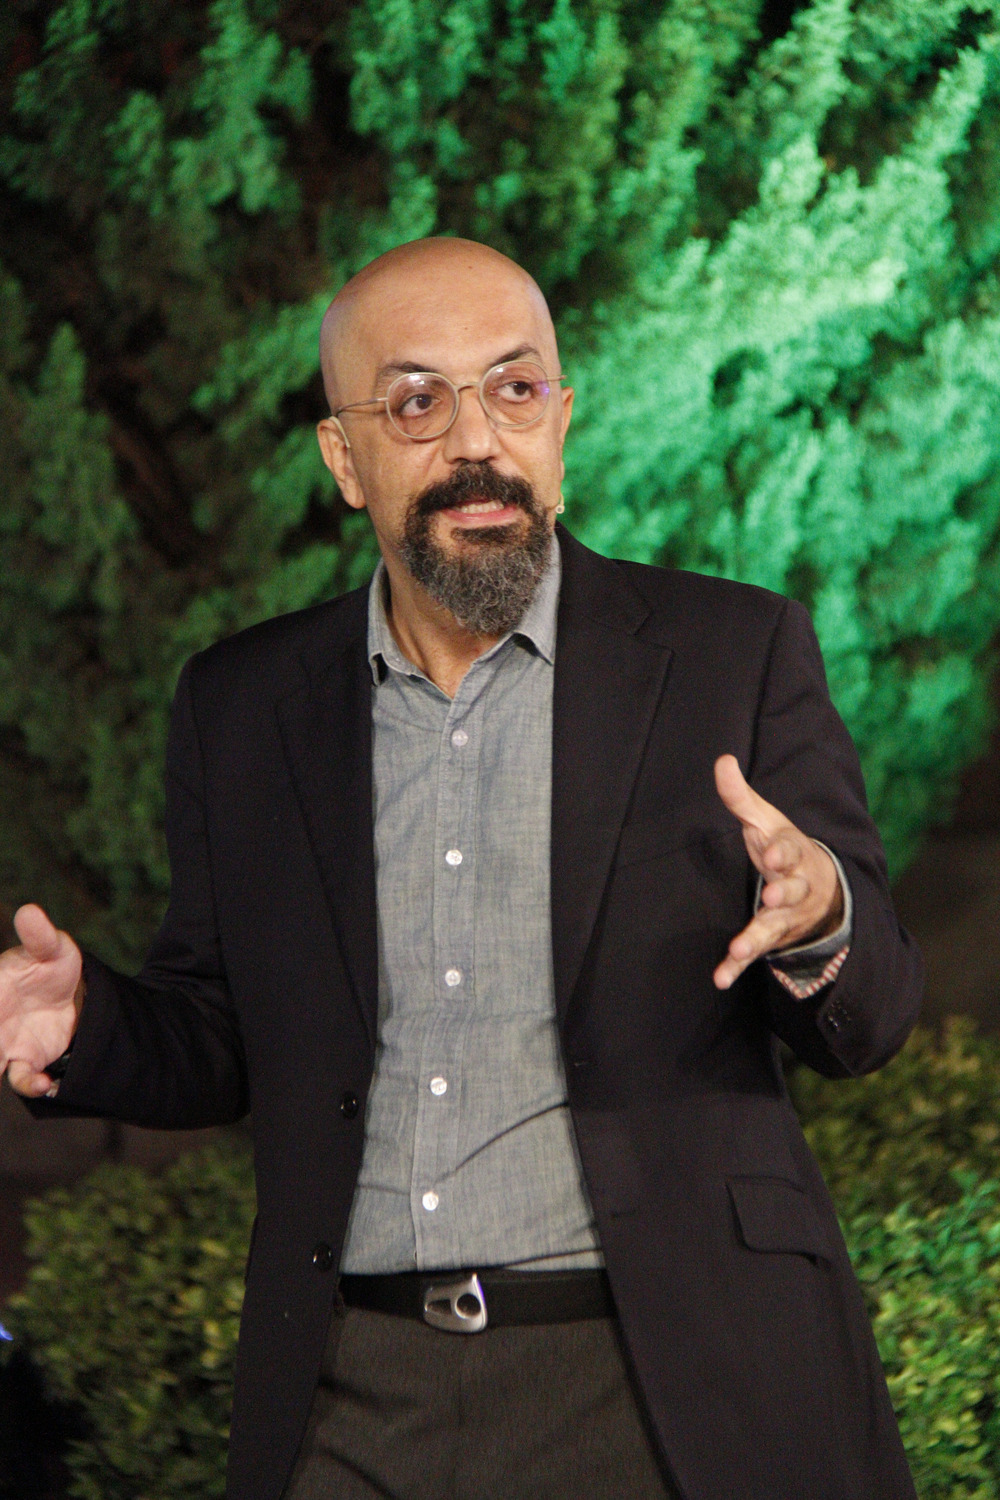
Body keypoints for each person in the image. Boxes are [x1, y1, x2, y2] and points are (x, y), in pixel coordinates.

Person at [0, 237, 922, 1500]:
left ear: (561, 423)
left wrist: (819, 919)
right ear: (344, 459)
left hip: (666, 1380)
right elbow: (219, 1033)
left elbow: (874, 1017)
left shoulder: (729, 654)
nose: (476, 441)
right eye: (417, 402)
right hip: (351, 1394)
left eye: (514, 388)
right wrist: (88, 1028)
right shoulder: (242, 707)